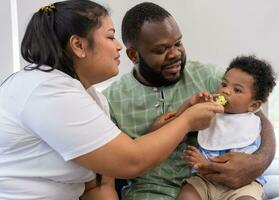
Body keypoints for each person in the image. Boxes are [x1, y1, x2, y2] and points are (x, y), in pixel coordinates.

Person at [0, 0, 224, 199]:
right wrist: (186, 121)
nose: (118, 45)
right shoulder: (46, 90)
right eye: (110, 36)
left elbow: (98, 184)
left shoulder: (92, 99)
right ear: (78, 45)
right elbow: (131, 161)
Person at [103, 2, 276, 200]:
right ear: (134, 55)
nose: (176, 54)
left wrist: (258, 162)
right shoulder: (111, 101)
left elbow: (256, 117)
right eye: (162, 50)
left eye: (178, 43)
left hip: (216, 184)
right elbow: (115, 166)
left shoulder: (212, 78)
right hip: (151, 193)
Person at [175, 55, 277, 200]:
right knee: (187, 195)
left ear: (253, 105)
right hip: (204, 180)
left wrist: (205, 163)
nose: (226, 91)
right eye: (224, 84)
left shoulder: (253, 124)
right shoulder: (209, 114)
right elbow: (182, 127)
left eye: (237, 90)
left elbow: (239, 163)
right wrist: (193, 106)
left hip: (243, 186)